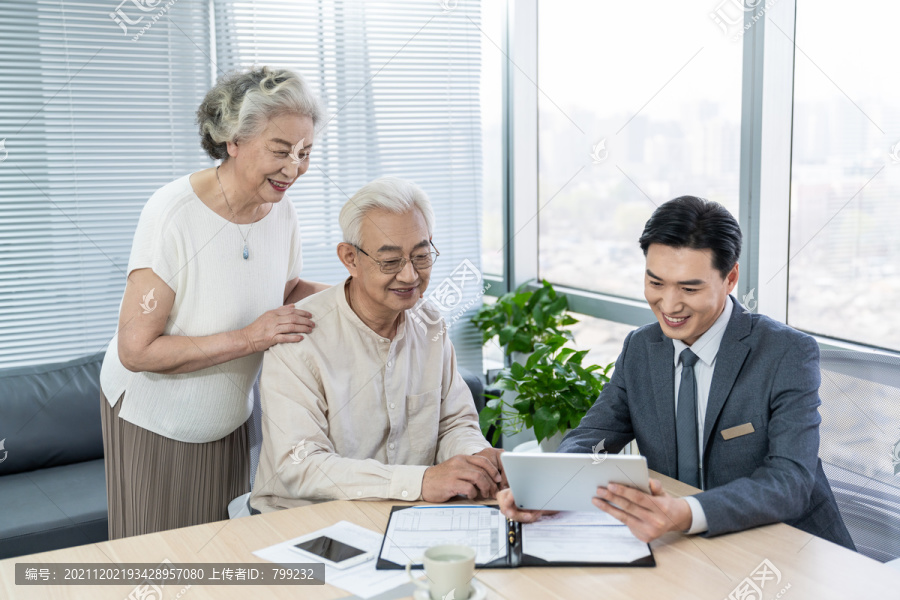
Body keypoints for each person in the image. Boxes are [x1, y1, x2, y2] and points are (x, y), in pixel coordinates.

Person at [498, 195, 854, 550]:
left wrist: (687, 513)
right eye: (656, 283)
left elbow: (790, 481)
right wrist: (548, 486)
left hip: (789, 548)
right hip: (690, 548)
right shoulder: (641, 348)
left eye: (689, 288)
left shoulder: (786, 353)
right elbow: (594, 434)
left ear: (730, 278)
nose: (669, 305)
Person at [99, 66, 330, 539]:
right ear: (233, 140)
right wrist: (250, 338)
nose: (294, 168)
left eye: (305, 152)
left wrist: (360, 295)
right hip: (154, 421)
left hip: (228, 420)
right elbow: (137, 350)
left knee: (220, 559)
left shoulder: (281, 209)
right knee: (158, 569)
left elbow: (281, 290)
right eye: (281, 150)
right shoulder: (172, 215)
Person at [250, 177, 505, 512]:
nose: (410, 276)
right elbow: (300, 465)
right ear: (350, 258)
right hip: (306, 518)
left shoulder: (428, 323)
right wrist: (421, 481)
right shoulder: (299, 336)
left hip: (407, 512)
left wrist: (477, 460)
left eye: (422, 256)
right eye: (390, 262)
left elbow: (453, 423)